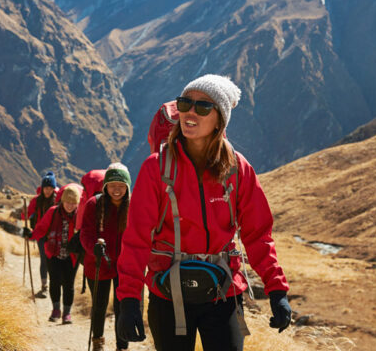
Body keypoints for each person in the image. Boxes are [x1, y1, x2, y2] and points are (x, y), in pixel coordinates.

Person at [115, 74, 292, 351]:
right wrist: (128, 301)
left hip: (224, 293)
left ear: (220, 118)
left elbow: (258, 234)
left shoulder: (237, 168)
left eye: (203, 107)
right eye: (185, 104)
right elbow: (136, 239)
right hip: (167, 293)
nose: (190, 112)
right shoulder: (156, 168)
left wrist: (277, 290)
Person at [80, 163, 132, 351]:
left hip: (124, 267)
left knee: (123, 308)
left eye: (121, 185)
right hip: (98, 263)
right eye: (112, 185)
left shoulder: (133, 207)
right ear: (106, 186)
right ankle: (98, 342)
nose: (116, 190)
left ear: (127, 186)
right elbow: (85, 233)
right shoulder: (94, 204)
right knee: (99, 306)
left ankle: (122, 346)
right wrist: (93, 247)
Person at [25, 182, 83, 324]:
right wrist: (31, 234)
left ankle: (67, 313)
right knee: (55, 282)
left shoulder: (80, 216)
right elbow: (41, 228)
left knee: (69, 284)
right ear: (62, 201)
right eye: (67, 202)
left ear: (77, 203)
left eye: (73, 203)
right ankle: (56, 310)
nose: (70, 205)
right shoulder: (53, 212)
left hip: (72, 255)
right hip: (53, 253)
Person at [23, 171, 58, 298]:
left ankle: (54, 284)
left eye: (50, 188)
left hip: (55, 234)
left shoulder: (58, 200)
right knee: (44, 259)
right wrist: (25, 211)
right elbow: (24, 215)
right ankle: (45, 286)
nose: (48, 191)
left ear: (54, 188)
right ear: (42, 188)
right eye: (46, 188)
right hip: (41, 234)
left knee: (53, 260)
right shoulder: (37, 201)